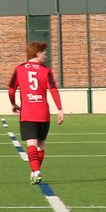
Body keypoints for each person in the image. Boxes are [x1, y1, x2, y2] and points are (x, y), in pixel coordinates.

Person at [10, 41, 65, 185]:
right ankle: (35, 172)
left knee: (31, 144)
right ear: (37, 53)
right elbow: (53, 90)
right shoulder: (46, 70)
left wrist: (13, 103)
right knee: (40, 145)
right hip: (43, 112)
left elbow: (11, 89)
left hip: (28, 113)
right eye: (44, 53)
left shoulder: (19, 69)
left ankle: (36, 171)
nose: (46, 55)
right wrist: (60, 110)